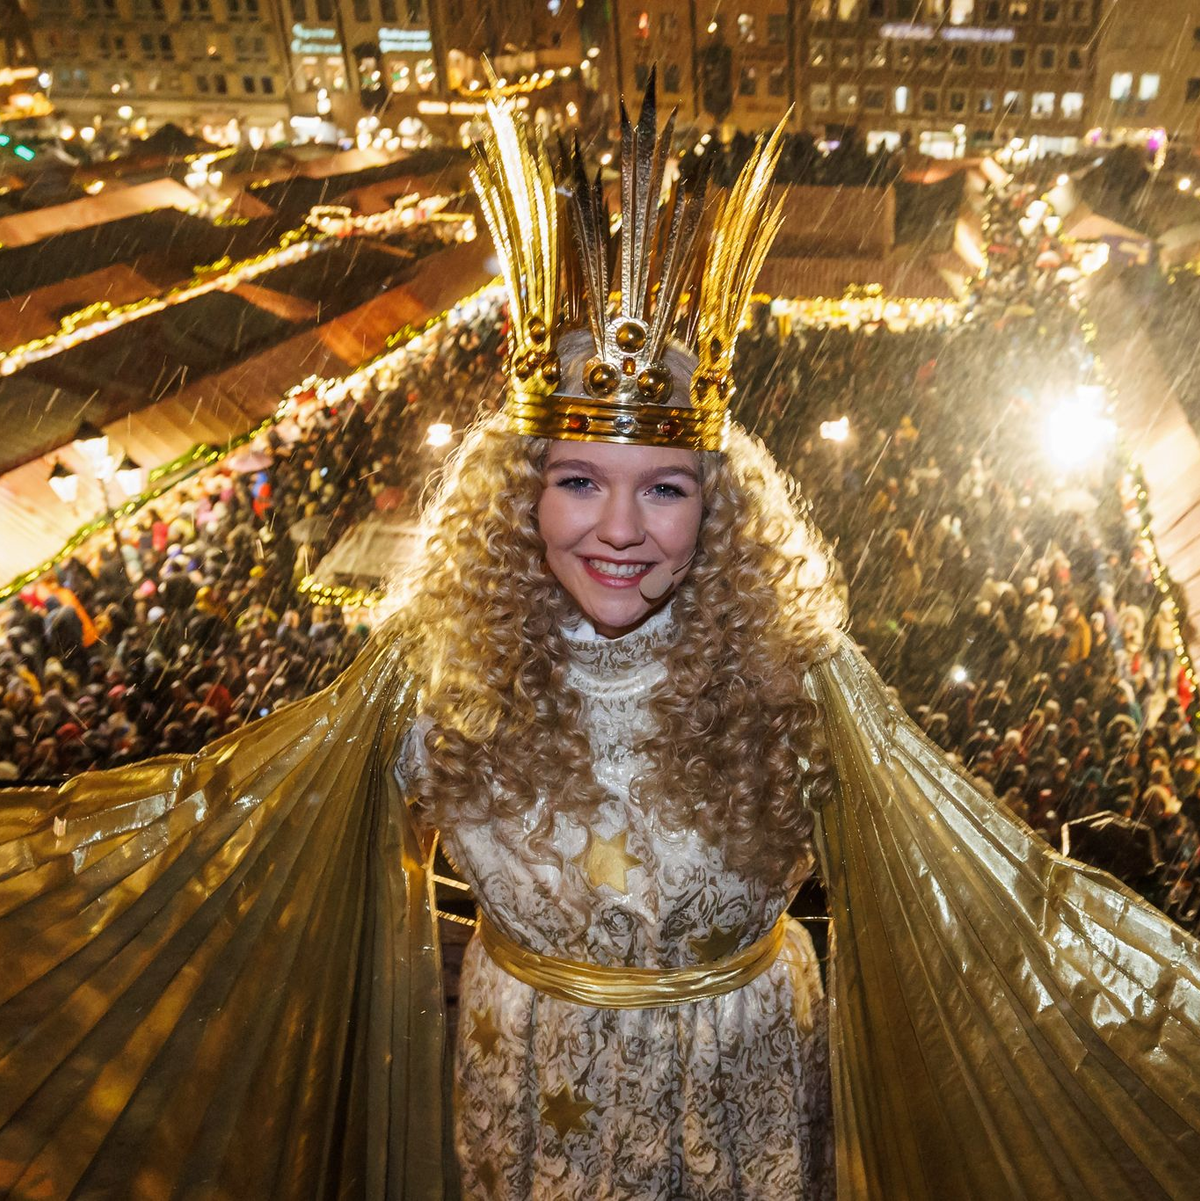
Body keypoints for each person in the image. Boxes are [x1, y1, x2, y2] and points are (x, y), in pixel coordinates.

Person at [2, 90, 1199, 1201]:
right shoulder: (431, 672)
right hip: (529, 1091)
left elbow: (982, 892)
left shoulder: (799, 673)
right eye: (579, 478)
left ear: (720, 501)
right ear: (518, 487)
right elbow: (231, 821)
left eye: (665, 489)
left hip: (749, 1096)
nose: (619, 531)